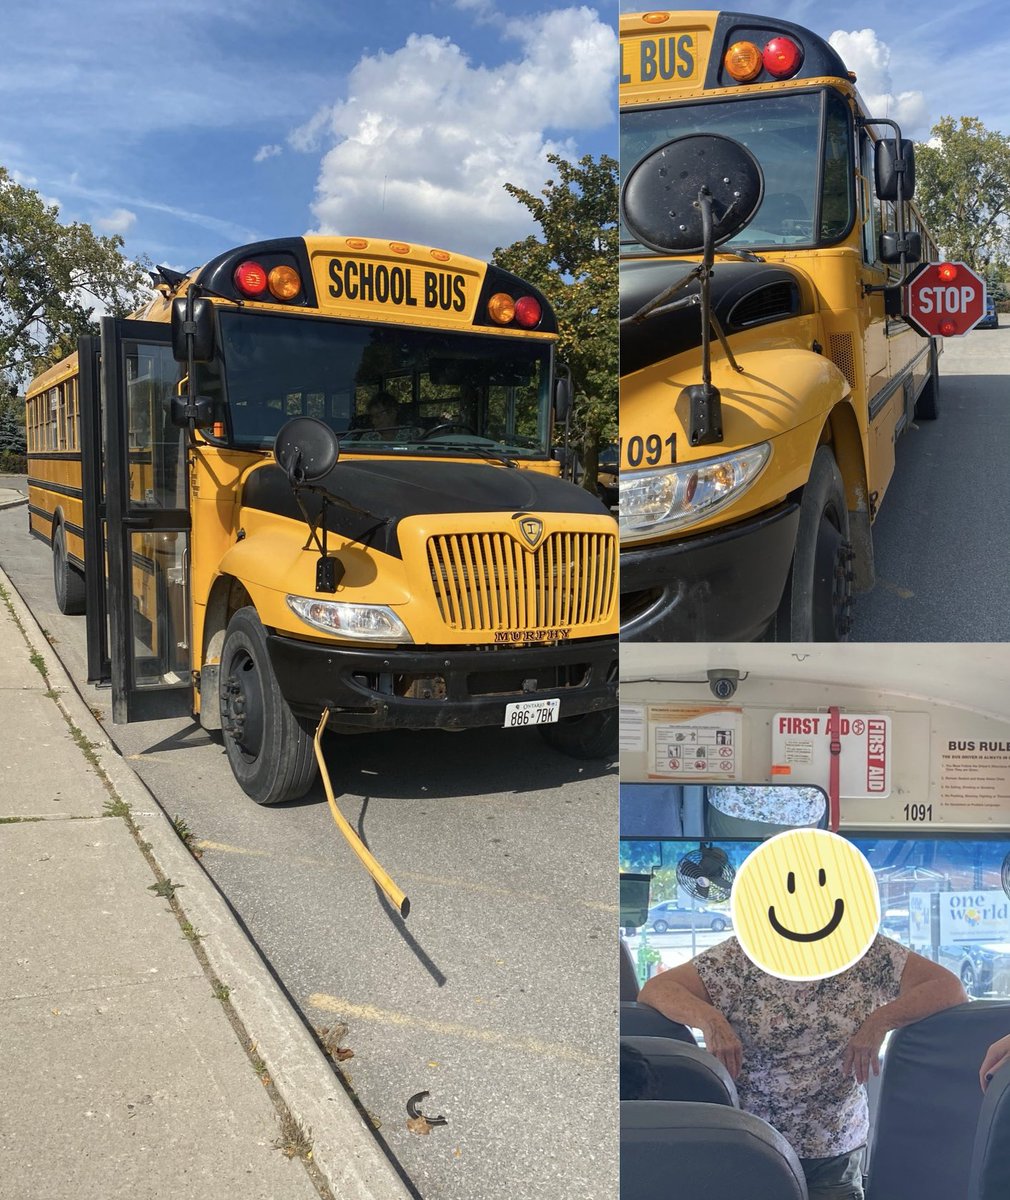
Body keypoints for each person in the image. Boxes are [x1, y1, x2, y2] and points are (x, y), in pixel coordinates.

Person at [639, 934, 966, 1200]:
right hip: (755, 1146)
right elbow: (656, 989)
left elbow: (948, 988)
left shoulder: (866, 950)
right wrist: (709, 1019)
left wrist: (880, 1020)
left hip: (835, 1148)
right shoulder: (739, 956)